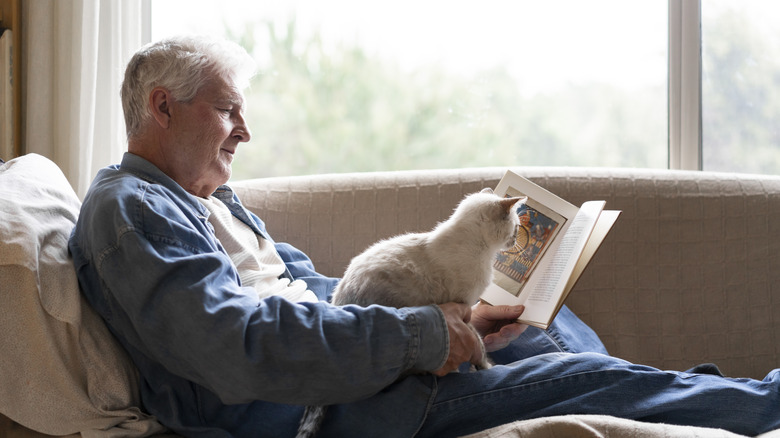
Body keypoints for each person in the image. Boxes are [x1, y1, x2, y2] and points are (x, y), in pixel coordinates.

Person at [69, 35, 780, 438]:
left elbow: (314, 292)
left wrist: (454, 316)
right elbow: (239, 349)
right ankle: (760, 405)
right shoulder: (129, 212)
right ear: (163, 107)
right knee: (569, 376)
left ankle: (702, 402)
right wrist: (421, 338)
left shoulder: (209, 201)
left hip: (349, 363)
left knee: (539, 330)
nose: (247, 132)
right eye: (229, 112)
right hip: (315, 408)